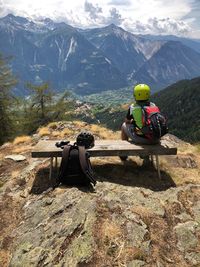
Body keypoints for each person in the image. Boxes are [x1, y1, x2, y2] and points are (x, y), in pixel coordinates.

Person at [120, 83, 160, 161]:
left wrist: (133, 120)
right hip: (155, 138)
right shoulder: (153, 106)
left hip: (142, 140)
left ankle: (123, 155)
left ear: (135, 95)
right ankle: (146, 158)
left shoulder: (133, 107)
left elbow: (127, 121)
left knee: (124, 125)